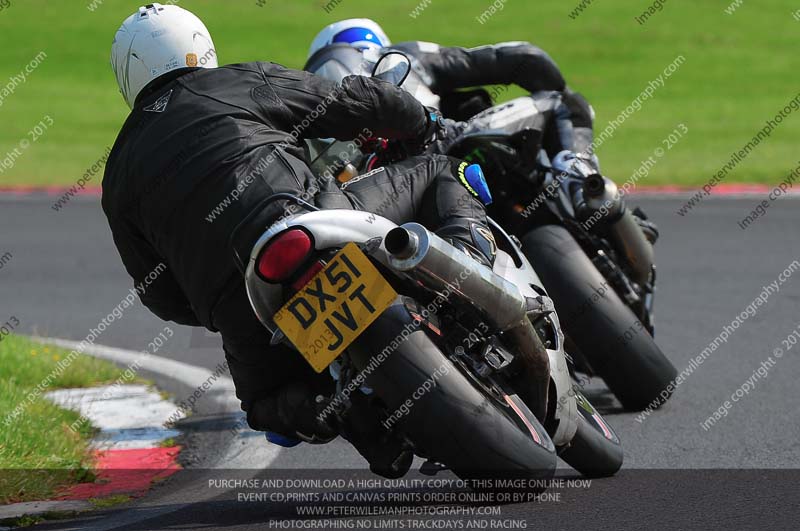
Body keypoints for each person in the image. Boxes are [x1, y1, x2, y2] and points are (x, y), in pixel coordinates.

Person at [102, 4, 495, 477]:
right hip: (308, 219)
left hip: (242, 305)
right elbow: (354, 101)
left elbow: (160, 295)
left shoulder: (117, 172)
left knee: (264, 404)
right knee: (443, 170)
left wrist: (217, 305)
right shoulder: (234, 80)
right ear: (199, 47)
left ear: (127, 75)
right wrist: (423, 123)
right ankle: (471, 267)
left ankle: (335, 409)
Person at [307, 18, 598, 167]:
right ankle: (580, 176)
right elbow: (523, 57)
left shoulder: (310, 111)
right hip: (447, 145)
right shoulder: (402, 55)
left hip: (379, 199)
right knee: (565, 102)